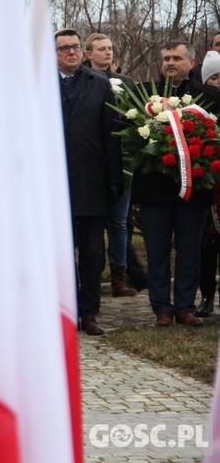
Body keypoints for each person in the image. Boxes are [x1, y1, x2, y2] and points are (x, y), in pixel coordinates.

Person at [131, 40, 220, 327]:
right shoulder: (144, 97)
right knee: (157, 249)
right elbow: (132, 137)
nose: (171, 63)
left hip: (194, 187)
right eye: (166, 58)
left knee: (189, 248)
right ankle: (161, 308)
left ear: (191, 62)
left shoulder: (208, 97)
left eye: (177, 58)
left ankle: (184, 306)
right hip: (155, 188)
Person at [55, 29, 123, 336]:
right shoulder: (39, 86)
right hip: (54, 187)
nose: (71, 52)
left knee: (94, 254)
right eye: (63, 48)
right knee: (61, 254)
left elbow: (112, 136)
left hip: (93, 183)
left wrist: (115, 180)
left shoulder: (99, 84)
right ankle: (64, 311)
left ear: (83, 53)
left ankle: (90, 312)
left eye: (75, 47)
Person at [84, 33, 139, 297]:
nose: (108, 53)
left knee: (119, 223)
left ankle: (120, 276)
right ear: (88, 54)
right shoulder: (80, 81)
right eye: (101, 49)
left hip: (122, 160)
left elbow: (136, 118)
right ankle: (90, 273)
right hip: (91, 162)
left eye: (110, 49)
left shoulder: (126, 83)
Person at [195, 50, 220, 317]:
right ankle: (207, 298)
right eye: (215, 77)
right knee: (208, 246)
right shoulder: (201, 106)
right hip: (211, 184)